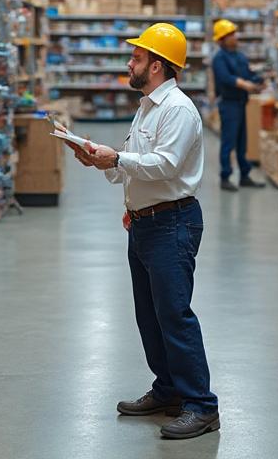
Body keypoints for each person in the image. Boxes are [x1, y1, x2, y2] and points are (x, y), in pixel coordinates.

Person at [71, 22, 220, 440]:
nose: (128, 63)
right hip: (144, 223)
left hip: (172, 222)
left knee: (175, 315)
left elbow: (166, 165)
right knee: (150, 316)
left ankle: (202, 406)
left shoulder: (177, 109)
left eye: (135, 58)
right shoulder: (147, 107)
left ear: (156, 66)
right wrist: (102, 161)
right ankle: (169, 389)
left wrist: (117, 156)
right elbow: (131, 166)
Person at [211, 18, 265, 192]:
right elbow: (225, 78)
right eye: (230, 34)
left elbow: (248, 73)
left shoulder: (240, 56)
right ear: (222, 39)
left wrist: (258, 80)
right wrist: (243, 84)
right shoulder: (219, 58)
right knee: (229, 141)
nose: (235, 37)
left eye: (234, 33)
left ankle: (244, 176)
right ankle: (225, 177)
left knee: (243, 141)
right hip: (229, 104)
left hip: (242, 103)